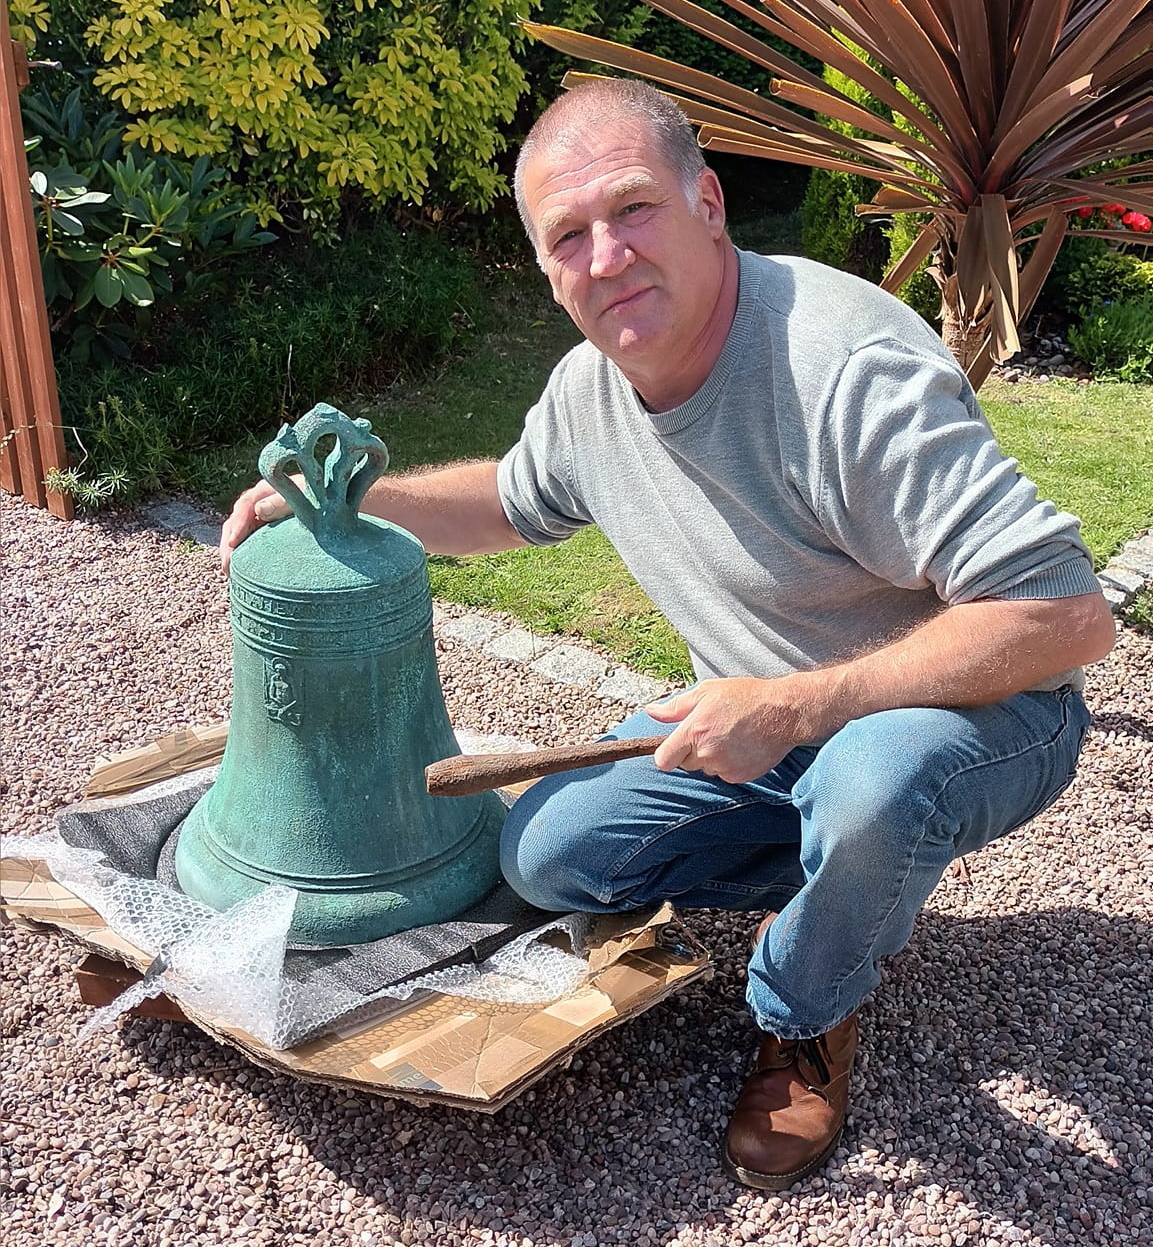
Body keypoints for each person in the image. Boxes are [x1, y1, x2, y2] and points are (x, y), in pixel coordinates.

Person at [221, 79, 1116, 1190]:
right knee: (548, 856)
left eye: (631, 209)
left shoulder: (841, 370)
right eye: (568, 235)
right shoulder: (592, 391)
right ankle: (848, 877)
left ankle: (806, 1010)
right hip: (767, 720)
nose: (605, 256)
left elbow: (1067, 614)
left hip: (983, 710)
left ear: (707, 203)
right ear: (547, 270)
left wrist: (797, 706)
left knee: (874, 783)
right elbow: (510, 497)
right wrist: (359, 500)